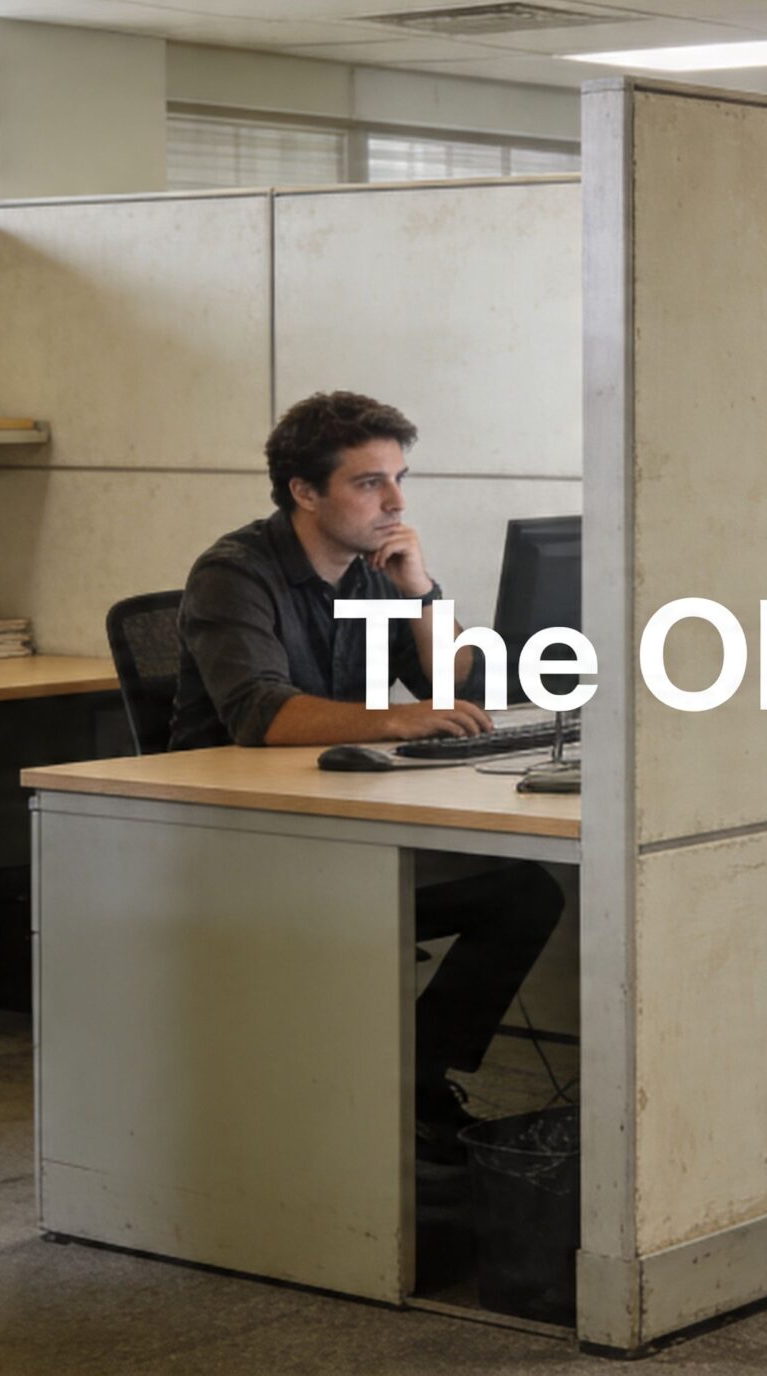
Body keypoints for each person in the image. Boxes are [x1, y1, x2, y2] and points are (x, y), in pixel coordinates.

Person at [171, 390, 565, 1163]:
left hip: (335, 824)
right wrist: (395, 721)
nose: (395, 503)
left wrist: (421, 593)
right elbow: (259, 715)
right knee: (508, 894)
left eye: (399, 479)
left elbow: (463, 689)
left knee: (526, 893)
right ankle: (393, 1094)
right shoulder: (234, 574)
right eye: (369, 483)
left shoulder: (371, 575)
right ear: (304, 491)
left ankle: (413, 1078)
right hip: (242, 841)